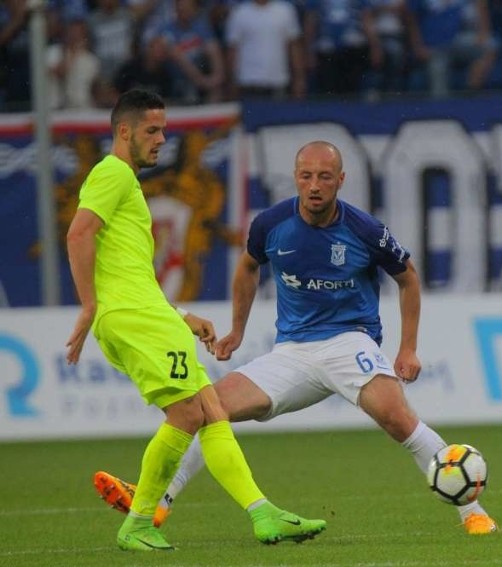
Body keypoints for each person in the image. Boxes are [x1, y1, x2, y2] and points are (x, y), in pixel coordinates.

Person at [93, 140, 499, 536]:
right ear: (295, 178)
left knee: (398, 419)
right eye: (306, 176)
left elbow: (407, 277)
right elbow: (248, 267)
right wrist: (237, 330)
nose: (314, 185)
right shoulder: (271, 224)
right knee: (206, 407)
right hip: (291, 351)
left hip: (349, 341)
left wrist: (407, 347)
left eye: (324, 177)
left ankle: (473, 512)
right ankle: (159, 502)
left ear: (341, 179)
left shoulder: (365, 229)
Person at [65, 89, 326, 552]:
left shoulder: (124, 181)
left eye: (164, 129)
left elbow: (131, 273)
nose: (162, 139)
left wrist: (182, 316)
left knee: (210, 411)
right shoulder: (111, 173)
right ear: (123, 131)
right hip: (132, 319)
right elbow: (79, 233)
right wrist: (88, 306)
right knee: (191, 413)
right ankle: (141, 522)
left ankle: (262, 514)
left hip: (148, 314)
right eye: (152, 130)